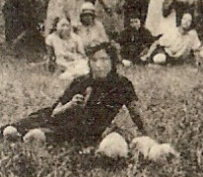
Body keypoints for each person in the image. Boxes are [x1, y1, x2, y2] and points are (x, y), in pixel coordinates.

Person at [2, 41, 147, 149]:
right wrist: (70, 105)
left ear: (113, 61)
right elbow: (55, 113)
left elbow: (136, 114)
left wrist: (148, 136)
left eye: (104, 59)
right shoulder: (81, 81)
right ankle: (17, 139)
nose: (98, 65)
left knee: (36, 136)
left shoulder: (123, 84)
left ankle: (22, 141)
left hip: (77, 130)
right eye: (94, 60)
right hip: (53, 118)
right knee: (8, 130)